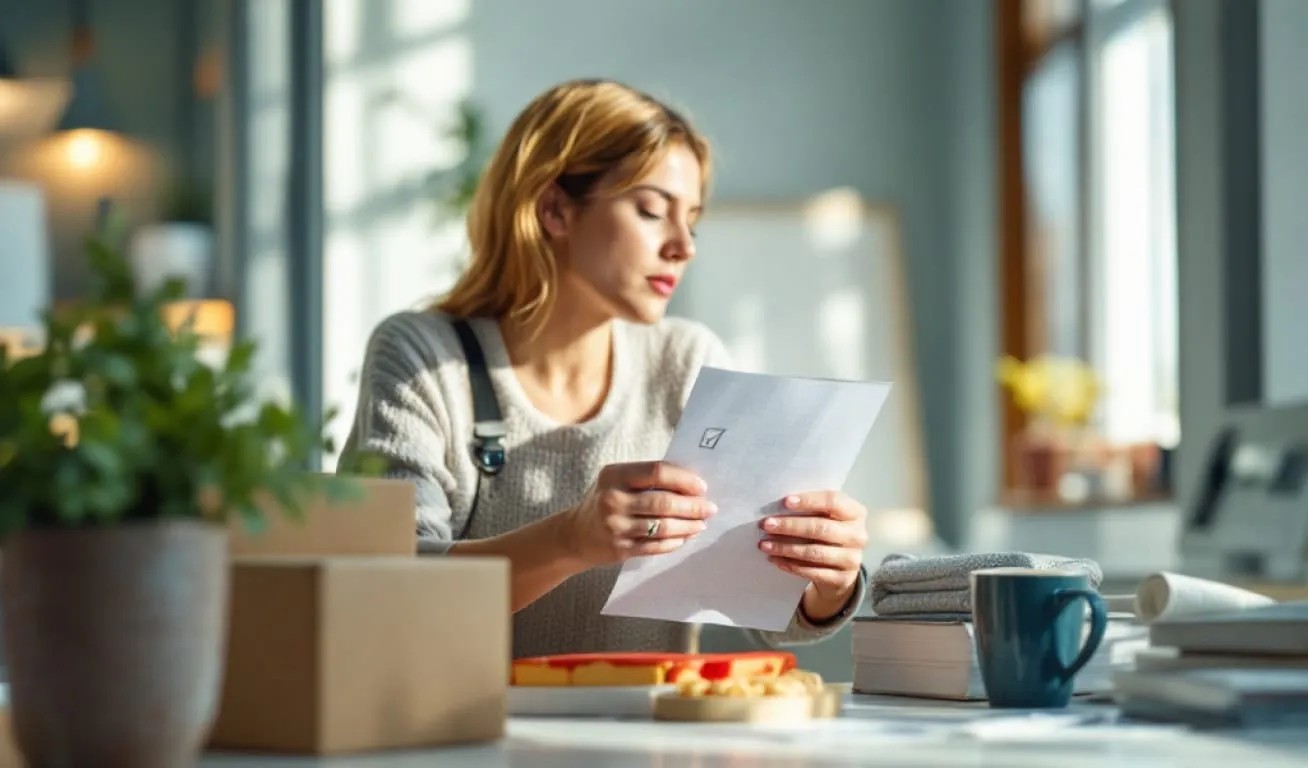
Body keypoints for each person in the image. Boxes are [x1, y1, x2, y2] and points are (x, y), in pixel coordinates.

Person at [339, 79, 869, 658]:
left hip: (646, 738)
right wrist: (570, 539)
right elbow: (389, 587)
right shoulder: (423, 357)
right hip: (463, 738)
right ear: (555, 210)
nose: (683, 245)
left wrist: (827, 579)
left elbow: (770, 612)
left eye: (691, 219)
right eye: (651, 210)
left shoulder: (687, 360)